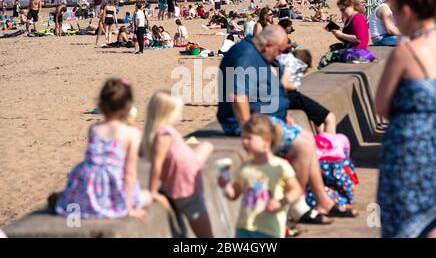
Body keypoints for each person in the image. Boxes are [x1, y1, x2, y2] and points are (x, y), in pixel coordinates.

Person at [217, 25, 358, 224]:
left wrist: (282, 115)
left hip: (268, 118)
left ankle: (323, 201)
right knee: (303, 145)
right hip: (247, 123)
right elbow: (239, 98)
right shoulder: (245, 56)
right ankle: (297, 206)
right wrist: (250, 131)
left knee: (308, 139)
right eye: (280, 49)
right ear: (267, 45)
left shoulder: (257, 52)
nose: (281, 55)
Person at [375, 0, 436, 238]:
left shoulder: (406, 52)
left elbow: (381, 106)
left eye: (395, 13)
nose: (394, 20)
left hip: (409, 148)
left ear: (407, 11)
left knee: (406, 220)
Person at [55, 78, 152, 220]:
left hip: (88, 184)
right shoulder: (132, 134)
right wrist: (129, 208)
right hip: (113, 184)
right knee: (148, 196)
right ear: (129, 107)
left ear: (101, 105)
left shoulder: (94, 129)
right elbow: (129, 175)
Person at [142, 90, 214, 238]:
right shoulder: (165, 134)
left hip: (186, 184)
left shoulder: (163, 132)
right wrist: (153, 191)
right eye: (178, 112)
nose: (180, 116)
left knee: (207, 146)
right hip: (187, 191)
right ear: (169, 113)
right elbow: (157, 164)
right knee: (207, 235)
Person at [218, 114, 301, 238]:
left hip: (269, 230)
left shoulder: (280, 166)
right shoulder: (245, 167)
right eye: (243, 138)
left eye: (249, 138)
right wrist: (225, 185)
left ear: (266, 140)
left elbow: (296, 190)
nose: (244, 142)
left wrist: (281, 203)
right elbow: (234, 195)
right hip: (244, 228)